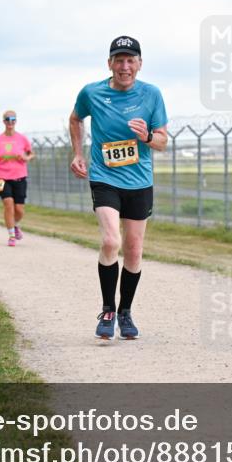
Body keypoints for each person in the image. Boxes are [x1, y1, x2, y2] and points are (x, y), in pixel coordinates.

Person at [69, 36, 169, 341]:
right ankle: (108, 310)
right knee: (111, 241)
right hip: (104, 176)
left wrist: (148, 136)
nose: (124, 66)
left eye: (130, 60)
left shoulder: (152, 95)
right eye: (119, 60)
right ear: (110, 63)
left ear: (139, 64)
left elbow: (163, 142)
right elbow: (75, 119)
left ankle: (126, 312)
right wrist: (77, 153)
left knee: (134, 250)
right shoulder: (92, 92)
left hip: (140, 181)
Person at [0, 110, 35, 246]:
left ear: (16, 121)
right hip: (0, 177)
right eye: (7, 119)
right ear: (3, 121)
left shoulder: (22, 139)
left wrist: (26, 157)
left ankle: (15, 225)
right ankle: (11, 235)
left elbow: (32, 154)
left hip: (20, 176)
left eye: (13, 119)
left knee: (19, 209)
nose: (10, 122)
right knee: (8, 203)